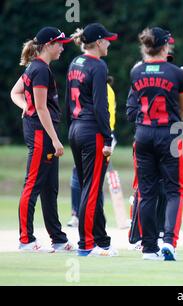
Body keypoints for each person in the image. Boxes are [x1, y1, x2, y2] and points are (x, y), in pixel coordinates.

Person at [126, 26, 183, 261]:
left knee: (146, 192)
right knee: (175, 191)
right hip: (168, 135)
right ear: (165, 46)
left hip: (143, 135)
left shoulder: (136, 72)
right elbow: (182, 108)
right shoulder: (176, 73)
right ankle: (169, 242)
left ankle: (148, 247)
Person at [10, 26, 75, 252]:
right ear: (48, 45)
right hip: (41, 133)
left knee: (50, 187)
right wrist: (56, 140)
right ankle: (25, 240)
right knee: (33, 184)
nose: (61, 48)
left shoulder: (36, 67)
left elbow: (16, 93)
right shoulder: (40, 70)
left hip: (41, 130)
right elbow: (40, 107)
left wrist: (25, 106)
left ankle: (57, 238)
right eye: (60, 44)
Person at [66, 23, 118, 257]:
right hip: (92, 132)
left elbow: (69, 100)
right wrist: (108, 138)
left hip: (76, 128)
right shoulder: (98, 65)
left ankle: (102, 240)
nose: (108, 43)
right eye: (106, 40)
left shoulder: (75, 62)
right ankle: (86, 244)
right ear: (98, 42)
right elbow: (100, 105)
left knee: (91, 187)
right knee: (91, 187)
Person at [67, 75, 117, 228]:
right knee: (91, 177)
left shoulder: (102, 89)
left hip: (100, 134)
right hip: (93, 133)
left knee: (92, 177)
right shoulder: (104, 88)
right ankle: (86, 215)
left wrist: (107, 141)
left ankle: (88, 216)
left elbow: (103, 114)